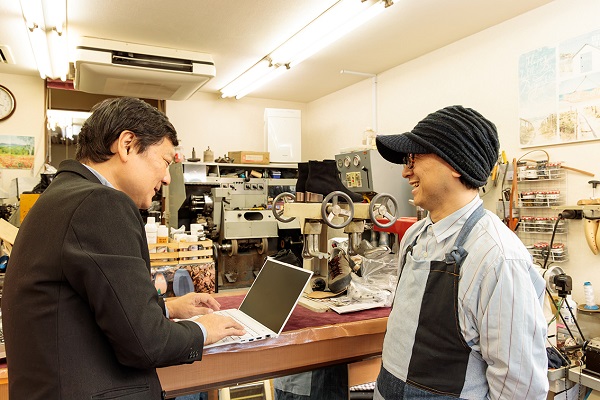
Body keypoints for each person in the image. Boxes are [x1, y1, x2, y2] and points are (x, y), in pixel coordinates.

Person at [2, 97, 245, 400]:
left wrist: (169, 308)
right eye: (165, 161)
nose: (167, 178)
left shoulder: (60, 196)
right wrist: (204, 330)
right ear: (127, 144)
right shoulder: (101, 203)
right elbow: (146, 344)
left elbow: (83, 306)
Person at [373, 105, 548, 399]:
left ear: (454, 164)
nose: (405, 171)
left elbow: (521, 385)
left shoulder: (497, 257)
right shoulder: (415, 236)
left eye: (413, 158)